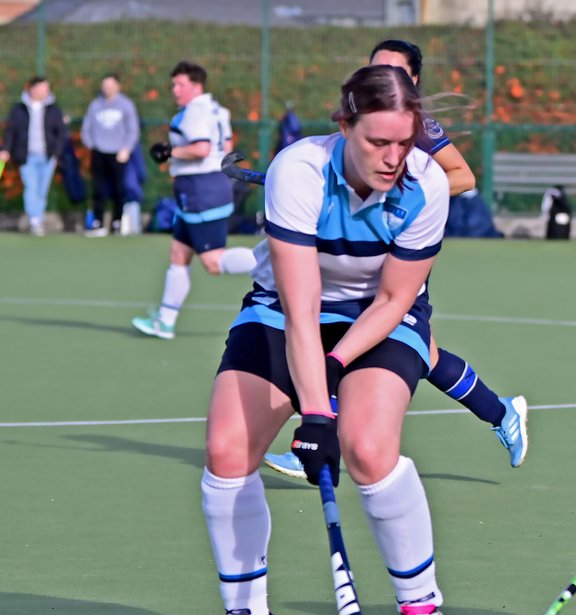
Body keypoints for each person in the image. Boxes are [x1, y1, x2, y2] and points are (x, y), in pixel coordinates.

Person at [192, 64, 459, 615]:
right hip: (289, 309)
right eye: (378, 143)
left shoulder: (427, 185)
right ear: (344, 126)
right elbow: (299, 305)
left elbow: (394, 300)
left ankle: (423, 614)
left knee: (368, 446)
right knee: (228, 449)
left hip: (380, 318)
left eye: (405, 141)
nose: (395, 157)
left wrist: (334, 378)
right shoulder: (298, 172)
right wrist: (315, 412)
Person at [263, 38, 528, 478]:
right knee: (421, 354)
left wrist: (407, 201)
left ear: (415, 83)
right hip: (352, 259)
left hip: (396, 255)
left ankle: (320, 429)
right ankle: (500, 412)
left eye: (397, 72)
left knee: (386, 346)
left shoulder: (420, 130)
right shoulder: (359, 123)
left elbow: (461, 176)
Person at [131, 61, 257, 340]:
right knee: (179, 254)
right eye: (173, 84)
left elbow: (201, 149)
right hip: (202, 189)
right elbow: (223, 147)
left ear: (196, 85)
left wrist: (170, 152)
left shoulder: (194, 112)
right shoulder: (216, 109)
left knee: (212, 262)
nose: (174, 89)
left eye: (180, 84)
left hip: (202, 191)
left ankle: (276, 259)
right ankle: (165, 321)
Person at [1, 76, 68, 236]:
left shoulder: (54, 109)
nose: (46, 91)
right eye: (43, 87)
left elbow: (61, 133)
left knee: (41, 190)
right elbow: (11, 132)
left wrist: (56, 153)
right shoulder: (19, 109)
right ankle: (35, 220)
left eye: (47, 88)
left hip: (47, 156)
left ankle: (36, 216)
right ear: (32, 89)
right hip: (26, 156)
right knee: (31, 187)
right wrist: (5, 149)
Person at [81, 73, 140, 237]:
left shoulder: (126, 105)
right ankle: (98, 222)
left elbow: (132, 129)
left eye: (110, 85)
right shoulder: (95, 104)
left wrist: (126, 148)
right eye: (105, 85)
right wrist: (91, 145)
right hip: (99, 152)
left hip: (118, 153)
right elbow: (87, 127)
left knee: (119, 189)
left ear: (118, 86)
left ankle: (117, 222)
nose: (107, 89)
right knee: (98, 189)